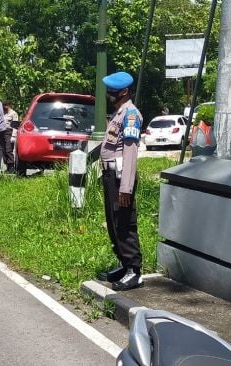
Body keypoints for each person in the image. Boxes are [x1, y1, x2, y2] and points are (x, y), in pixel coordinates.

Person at [97, 71, 144, 291]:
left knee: (124, 222)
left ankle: (134, 271)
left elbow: (130, 152)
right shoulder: (118, 113)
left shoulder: (131, 115)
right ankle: (125, 265)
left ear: (124, 92)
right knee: (114, 223)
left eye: (112, 92)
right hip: (110, 176)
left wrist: (126, 186)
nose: (109, 95)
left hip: (120, 178)